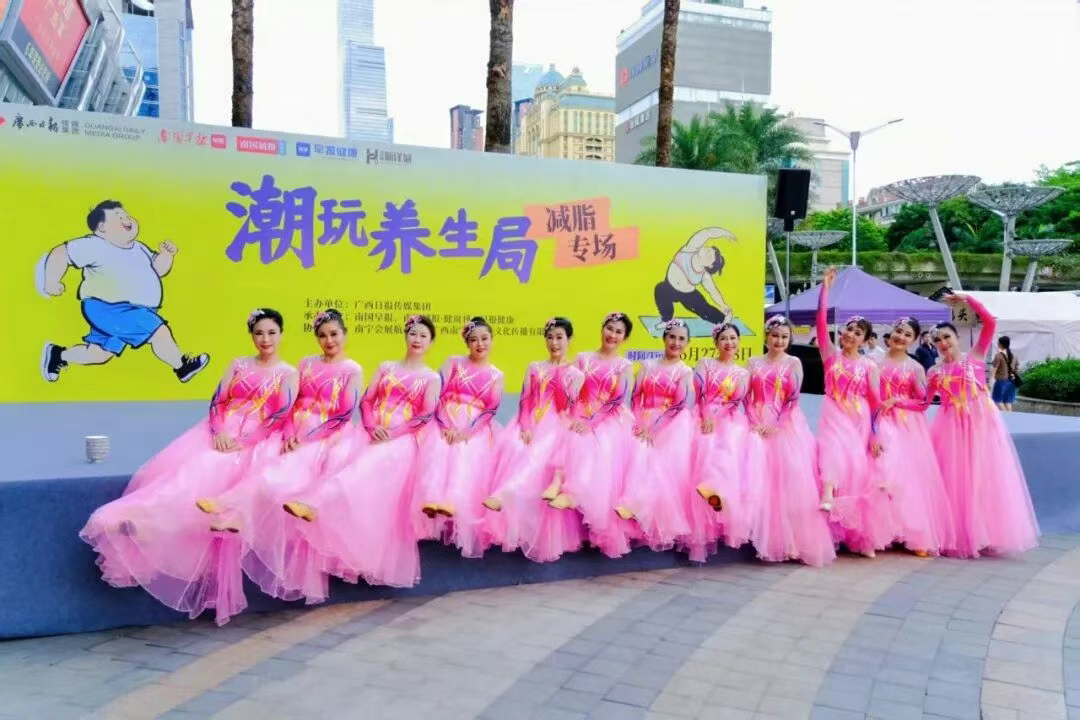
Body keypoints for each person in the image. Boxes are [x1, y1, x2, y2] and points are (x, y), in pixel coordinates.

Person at [79, 308, 297, 624]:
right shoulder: (238, 364)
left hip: (255, 440)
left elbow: (280, 415)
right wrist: (219, 431)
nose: (265, 339)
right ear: (251, 335)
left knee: (205, 474)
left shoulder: (288, 373)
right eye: (259, 333)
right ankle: (139, 517)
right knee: (185, 475)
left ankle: (150, 521)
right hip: (221, 433)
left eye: (272, 333)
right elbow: (218, 401)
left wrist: (245, 440)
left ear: (281, 334)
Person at [207, 309, 363, 605]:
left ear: (344, 334)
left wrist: (306, 437)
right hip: (296, 430)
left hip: (326, 434)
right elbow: (291, 405)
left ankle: (231, 505)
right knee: (270, 464)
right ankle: (233, 510)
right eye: (322, 335)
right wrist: (291, 432)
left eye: (334, 334)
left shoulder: (352, 369)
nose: (328, 340)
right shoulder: (306, 364)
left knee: (280, 477)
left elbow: (343, 415)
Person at [281, 315, 441, 589]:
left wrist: (393, 432)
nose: (417, 339)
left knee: (363, 467)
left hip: (402, 439)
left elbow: (424, 415)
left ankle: (314, 503)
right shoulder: (386, 367)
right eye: (413, 334)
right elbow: (367, 401)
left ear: (431, 342)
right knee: (341, 458)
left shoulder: (431, 377)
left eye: (423, 336)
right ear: (406, 336)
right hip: (370, 430)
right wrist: (371, 426)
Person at [41, 200, 209, 384]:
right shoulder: (95, 245)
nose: (126, 219)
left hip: (130, 311)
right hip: (109, 308)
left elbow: (157, 270)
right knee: (157, 330)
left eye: (127, 215)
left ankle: (59, 355)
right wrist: (51, 281)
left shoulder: (139, 248)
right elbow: (61, 253)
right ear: (102, 228)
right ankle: (182, 366)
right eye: (118, 217)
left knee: (99, 354)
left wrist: (166, 256)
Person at [927, 295, 1040, 558]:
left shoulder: (975, 357)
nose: (943, 343)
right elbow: (923, 401)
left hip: (981, 423)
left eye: (947, 337)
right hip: (950, 427)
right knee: (956, 478)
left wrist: (967, 299)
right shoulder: (934, 372)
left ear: (957, 337)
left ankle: (985, 533)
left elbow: (989, 322)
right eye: (938, 340)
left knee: (983, 475)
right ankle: (957, 533)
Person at [483, 318, 585, 563]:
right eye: (550, 337)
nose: (554, 343)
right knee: (516, 446)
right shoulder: (534, 366)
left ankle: (507, 493)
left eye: (559, 337)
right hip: (529, 421)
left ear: (569, 339)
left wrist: (562, 373)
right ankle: (513, 521)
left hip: (558, 424)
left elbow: (568, 407)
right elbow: (526, 399)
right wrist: (526, 425)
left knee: (542, 451)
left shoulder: (576, 374)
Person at [746, 315, 835, 567]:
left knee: (792, 483)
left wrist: (775, 424)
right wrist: (755, 421)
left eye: (784, 337)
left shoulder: (794, 362)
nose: (779, 341)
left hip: (786, 425)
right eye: (775, 336)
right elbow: (747, 398)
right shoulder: (753, 362)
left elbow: (792, 399)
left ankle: (795, 540)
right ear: (766, 336)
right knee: (763, 483)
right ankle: (766, 537)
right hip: (758, 423)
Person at [815, 267, 891, 558]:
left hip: (859, 418)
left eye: (858, 333)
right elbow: (821, 323)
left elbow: (876, 402)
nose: (850, 334)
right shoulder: (830, 356)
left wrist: (874, 434)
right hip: (833, 413)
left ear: (865, 340)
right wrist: (825, 289)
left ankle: (859, 535)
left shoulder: (870, 366)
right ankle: (827, 492)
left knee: (857, 472)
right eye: (849, 329)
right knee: (833, 453)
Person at [551, 312, 638, 558]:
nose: (613, 335)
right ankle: (568, 498)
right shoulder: (583, 358)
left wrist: (591, 422)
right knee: (563, 441)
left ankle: (594, 516)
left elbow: (616, 400)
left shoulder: (624, 366)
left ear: (625, 338)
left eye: (619, 332)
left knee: (602, 451)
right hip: (579, 412)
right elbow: (570, 390)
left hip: (609, 419)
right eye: (609, 329)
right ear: (602, 329)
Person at [418, 317, 505, 559]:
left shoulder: (496, 375)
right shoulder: (453, 363)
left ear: (492, 340)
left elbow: (490, 410)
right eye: (474, 339)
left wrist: (467, 431)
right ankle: (432, 499)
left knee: (465, 450)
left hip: (474, 427)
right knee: (437, 446)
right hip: (444, 420)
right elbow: (436, 396)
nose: (480, 344)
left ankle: (452, 500)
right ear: (467, 342)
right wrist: (445, 425)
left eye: (484, 339)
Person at [875, 317, 954, 557]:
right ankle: (881, 531)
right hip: (875, 421)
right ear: (891, 332)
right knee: (878, 476)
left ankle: (913, 532)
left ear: (914, 340)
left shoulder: (915, 368)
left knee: (905, 479)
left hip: (905, 426)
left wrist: (897, 401)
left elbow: (923, 403)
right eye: (898, 331)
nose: (901, 337)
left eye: (907, 335)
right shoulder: (872, 362)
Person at [616, 320, 694, 553]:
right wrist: (639, 423)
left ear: (687, 343)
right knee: (633, 454)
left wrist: (654, 428)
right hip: (642, 419)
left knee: (658, 464)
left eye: (681, 339)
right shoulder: (647, 365)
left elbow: (678, 405)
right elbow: (635, 397)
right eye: (672, 337)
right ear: (664, 338)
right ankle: (631, 510)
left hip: (670, 425)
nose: (676, 342)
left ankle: (640, 508)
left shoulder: (685, 371)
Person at [690, 322, 761, 558]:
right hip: (703, 414)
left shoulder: (743, 373)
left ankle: (718, 495)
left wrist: (717, 417)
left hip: (728, 418)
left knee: (730, 445)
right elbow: (700, 395)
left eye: (733, 338)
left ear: (739, 342)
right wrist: (707, 415)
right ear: (716, 343)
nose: (729, 343)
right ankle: (709, 493)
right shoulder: (705, 364)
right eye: (724, 339)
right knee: (703, 444)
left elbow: (734, 401)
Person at [653, 227, 736, 329]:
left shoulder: (704, 275)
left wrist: (723, 305)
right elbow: (707, 233)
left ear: (709, 265)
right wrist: (725, 232)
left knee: (704, 309)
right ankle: (667, 320)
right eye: (709, 250)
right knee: (660, 289)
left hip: (688, 295)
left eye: (710, 256)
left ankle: (724, 320)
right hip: (669, 287)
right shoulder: (690, 248)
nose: (707, 252)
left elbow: (713, 291)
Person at [991, 336, 1020, 411]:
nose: (997, 344)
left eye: (998, 343)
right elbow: (1017, 368)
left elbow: (994, 369)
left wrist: (990, 381)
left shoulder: (998, 356)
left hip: (1001, 381)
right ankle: (1010, 417)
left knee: (997, 400)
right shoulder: (1014, 356)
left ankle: (1006, 415)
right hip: (1011, 382)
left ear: (1001, 344)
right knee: (1008, 402)